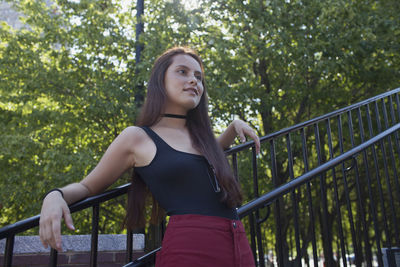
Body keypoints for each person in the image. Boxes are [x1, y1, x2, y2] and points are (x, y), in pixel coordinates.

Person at [39, 47, 260, 266]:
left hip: (237, 243)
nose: (194, 80)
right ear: (160, 81)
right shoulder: (137, 138)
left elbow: (209, 152)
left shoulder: (202, 139)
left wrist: (233, 127)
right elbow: (88, 187)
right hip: (191, 249)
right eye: (182, 72)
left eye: (198, 77)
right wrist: (55, 196)